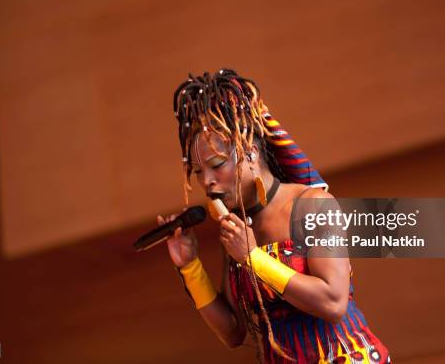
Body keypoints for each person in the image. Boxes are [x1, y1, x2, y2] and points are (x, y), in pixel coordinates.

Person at [157, 69, 391, 363]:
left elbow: (333, 301)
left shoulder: (313, 205)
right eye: (198, 172)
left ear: (251, 153)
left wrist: (254, 258)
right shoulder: (238, 230)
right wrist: (190, 267)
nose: (207, 182)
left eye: (216, 165)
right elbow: (233, 332)